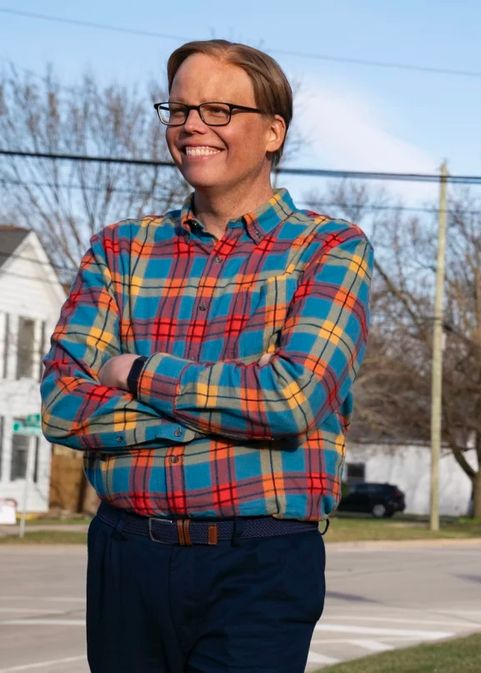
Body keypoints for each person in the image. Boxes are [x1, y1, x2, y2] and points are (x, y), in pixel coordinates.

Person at [40, 39, 372, 673]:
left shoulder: (329, 248)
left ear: (273, 131)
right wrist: (224, 422)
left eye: (219, 110)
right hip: (125, 552)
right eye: (180, 109)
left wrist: (137, 372)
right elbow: (61, 405)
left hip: (261, 562)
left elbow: (289, 400)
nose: (192, 125)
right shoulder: (119, 250)